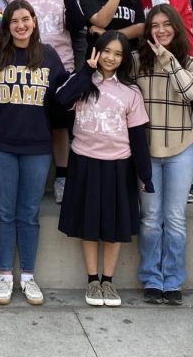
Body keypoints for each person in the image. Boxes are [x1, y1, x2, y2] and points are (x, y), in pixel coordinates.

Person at [0, 0, 67, 306]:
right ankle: (5, 276)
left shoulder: (49, 55)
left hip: (37, 148)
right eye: (14, 20)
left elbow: (63, 96)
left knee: (28, 214)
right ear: (6, 25)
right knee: (5, 212)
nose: (20, 25)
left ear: (34, 21)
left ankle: (28, 277)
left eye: (25, 19)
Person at [57, 32, 154, 307]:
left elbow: (137, 136)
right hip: (84, 162)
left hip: (118, 165)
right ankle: (92, 280)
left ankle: (108, 281)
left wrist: (144, 175)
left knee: (114, 225)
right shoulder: (81, 82)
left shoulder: (131, 92)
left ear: (123, 59)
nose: (111, 58)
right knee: (89, 224)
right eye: (106, 51)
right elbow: (62, 101)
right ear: (96, 52)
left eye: (118, 53)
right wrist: (86, 72)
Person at [134, 4, 193, 306]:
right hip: (147, 152)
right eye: (154, 25)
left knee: (174, 219)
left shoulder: (192, 63)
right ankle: (152, 278)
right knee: (151, 218)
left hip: (180, 150)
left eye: (167, 25)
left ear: (177, 28)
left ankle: (172, 280)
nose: (161, 30)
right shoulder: (136, 61)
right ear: (147, 30)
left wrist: (169, 59)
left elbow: (189, 93)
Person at [12, 0, 87, 203]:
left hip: (61, 67)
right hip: (28, 69)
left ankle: (63, 178)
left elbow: (78, 26)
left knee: (59, 127)